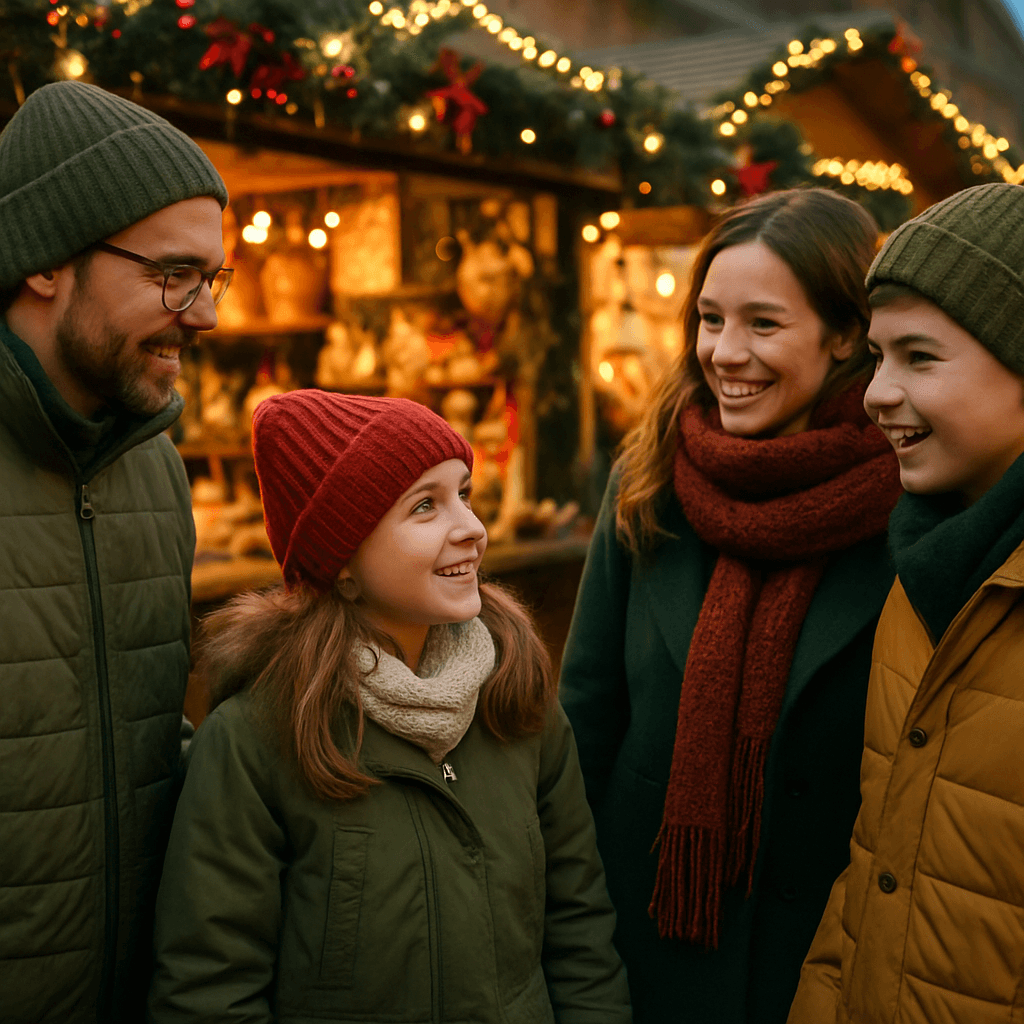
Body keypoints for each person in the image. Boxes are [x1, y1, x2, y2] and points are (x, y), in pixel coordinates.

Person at [148, 390, 632, 1024]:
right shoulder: (257, 741)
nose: (471, 529)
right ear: (342, 563)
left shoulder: (517, 703)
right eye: (426, 506)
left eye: (466, 494)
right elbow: (209, 990)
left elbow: (581, 934)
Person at [559, 188, 904, 1024]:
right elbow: (586, 719)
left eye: (763, 323)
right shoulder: (648, 481)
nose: (726, 352)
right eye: (711, 320)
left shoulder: (909, 498)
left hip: (827, 960)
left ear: (849, 333)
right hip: (646, 951)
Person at [0, 81, 229, 1022]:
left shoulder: (155, 474)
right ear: (46, 262)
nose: (206, 314)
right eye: (174, 275)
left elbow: (129, 739)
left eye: (213, 279)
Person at [787, 183, 1024, 1023]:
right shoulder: (922, 567)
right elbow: (876, 867)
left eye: (920, 358)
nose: (877, 393)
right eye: (879, 357)